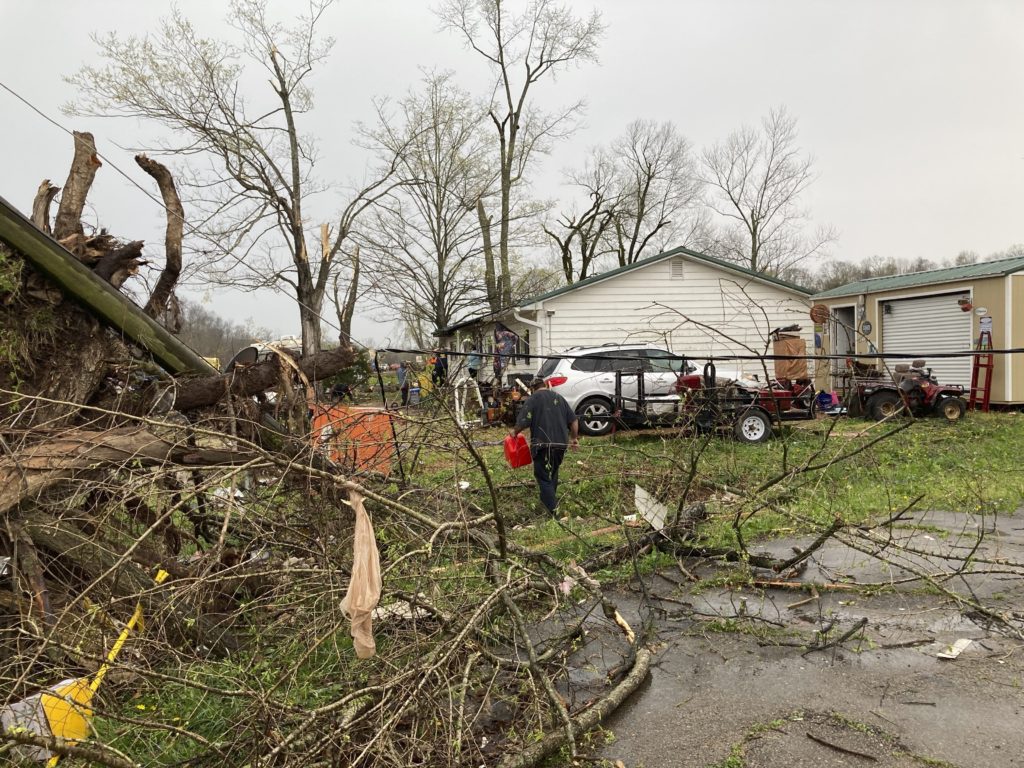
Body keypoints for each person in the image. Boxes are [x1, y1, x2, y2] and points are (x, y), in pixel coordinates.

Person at [512, 377, 579, 514]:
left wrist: (513, 432)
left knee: (543, 476)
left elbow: (523, 421)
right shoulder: (558, 397)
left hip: (542, 445)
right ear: (545, 385)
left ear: (532, 388)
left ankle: (553, 512)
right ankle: (548, 503)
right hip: (560, 444)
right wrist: (574, 438)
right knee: (552, 474)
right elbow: (573, 420)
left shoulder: (533, 399)